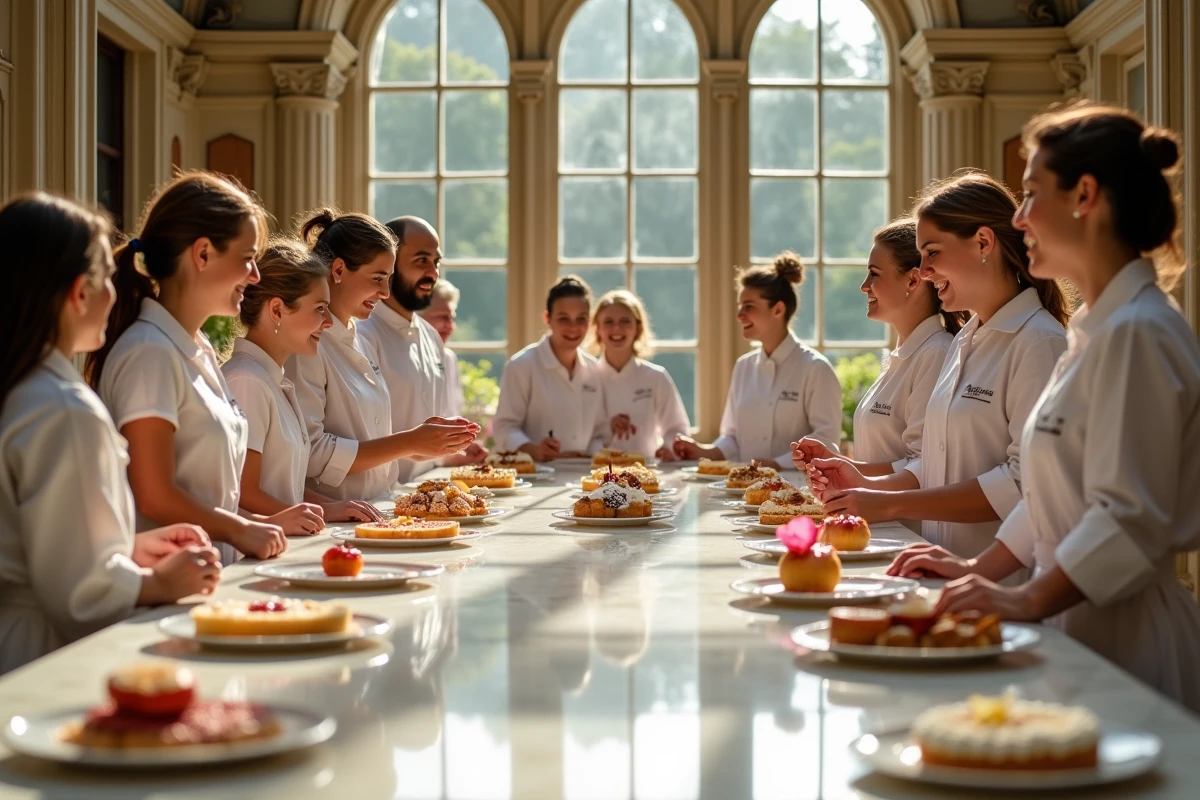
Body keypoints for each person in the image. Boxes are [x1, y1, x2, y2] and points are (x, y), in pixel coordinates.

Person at [890, 105, 1200, 712]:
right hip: (1068, 626)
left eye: (1031, 195)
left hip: (1129, 643)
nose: (1020, 217)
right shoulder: (1093, 330)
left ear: (1085, 195)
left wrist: (1027, 599)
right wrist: (979, 569)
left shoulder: (1139, 332)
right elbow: (1047, 495)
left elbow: (1127, 521)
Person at [0, 193, 220, 674]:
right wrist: (158, 583)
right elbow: (82, 595)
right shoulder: (61, 408)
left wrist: (126, 548)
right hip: (39, 658)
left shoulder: (23, 390)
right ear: (80, 292)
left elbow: (27, 543)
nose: (116, 295)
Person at [806, 171, 1070, 561]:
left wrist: (890, 505)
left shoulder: (1039, 342)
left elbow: (1023, 484)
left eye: (932, 253)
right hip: (940, 564)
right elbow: (938, 462)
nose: (924, 271)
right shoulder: (964, 340)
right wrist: (861, 478)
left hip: (1000, 584)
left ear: (983, 243)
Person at [85, 171, 287, 564]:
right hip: (161, 592)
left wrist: (259, 522)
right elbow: (154, 494)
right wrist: (241, 529)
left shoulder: (198, 347)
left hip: (208, 578)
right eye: (247, 259)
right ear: (203, 254)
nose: (255, 276)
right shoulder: (149, 353)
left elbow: (209, 495)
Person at [286, 209, 478, 501]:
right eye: (377, 278)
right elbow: (311, 453)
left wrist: (423, 443)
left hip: (379, 505)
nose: (386, 292)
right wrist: (410, 441)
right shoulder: (308, 345)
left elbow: (371, 440)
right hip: (334, 517)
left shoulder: (356, 338)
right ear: (338, 271)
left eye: (388, 278)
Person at [792, 219, 962, 493]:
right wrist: (835, 462)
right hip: (878, 523)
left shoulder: (937, 353)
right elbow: (889, 461)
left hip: (905, 529)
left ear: (913, 279)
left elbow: (923, 465)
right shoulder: (900, 356)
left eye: (874, 274)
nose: (864, 285)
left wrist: (846, 471)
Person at [223, 239, 383, 529]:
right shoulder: (247, 381)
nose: (327, 322)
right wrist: (309, 516)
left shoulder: (274, 380)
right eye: (320, 308)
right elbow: (244, 493)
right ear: (277, 310)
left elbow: (286, 488)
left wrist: (330, 508)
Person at [673, 253, 842, 469]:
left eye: (749, 307)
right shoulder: (744, 366)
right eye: (740, 306)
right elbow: (732, 437)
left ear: (778, 309)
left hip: (797, 492)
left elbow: (827, 441)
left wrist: (776, 464)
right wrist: (704, 451)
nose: (740, 315)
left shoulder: (816, 369)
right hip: (744, 493)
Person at [358, 217, 485, 485]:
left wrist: (453, 449)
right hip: (376, 500)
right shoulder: (362, 334)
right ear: (388, 262)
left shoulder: (431, 337)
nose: (433, 273)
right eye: (421, 260)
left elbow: (427, 441)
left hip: (426, 491)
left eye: (436, 262)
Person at [493, 275, 607, 461]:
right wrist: (534, 449)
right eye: (564, 318)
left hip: (582, 476)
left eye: (581, 319)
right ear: (548, 318)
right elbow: (504, 427)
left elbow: (601, 432)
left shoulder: (594, 369)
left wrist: (590, 453)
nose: (573, 327)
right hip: (535, 476)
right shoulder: (521, 366)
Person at [587, 289, 690, 461]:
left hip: (645, 473)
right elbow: (579, 440)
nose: (617, 328)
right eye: (608, 322)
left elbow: (677, 428)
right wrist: (608, 428)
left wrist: (669, 448)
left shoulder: (656, 377)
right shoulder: (587, 378)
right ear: (597, 329)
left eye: (625, 321)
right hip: (598, 472)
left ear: (638, 328)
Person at [419, 279, 464, 418]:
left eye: (452, 318)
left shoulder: (448, 358)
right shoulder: (397, 355)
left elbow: (453, 413)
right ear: (417, 317)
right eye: (442, 317)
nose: (450, 326)